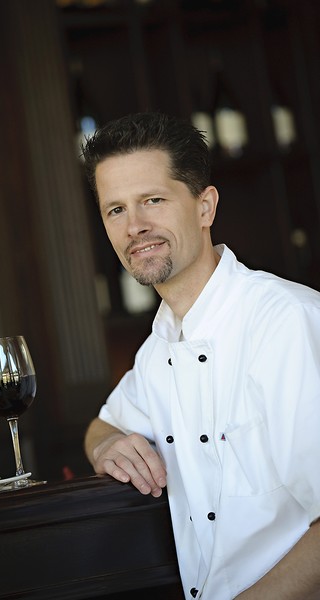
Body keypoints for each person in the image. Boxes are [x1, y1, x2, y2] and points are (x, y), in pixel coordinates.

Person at [81, 111, 320, 600]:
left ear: (205, 206)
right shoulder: (158, 350)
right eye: (116, 210)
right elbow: (102, 426)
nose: (135, 227)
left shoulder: (285, 322)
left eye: (152, 200)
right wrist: (106, 448)